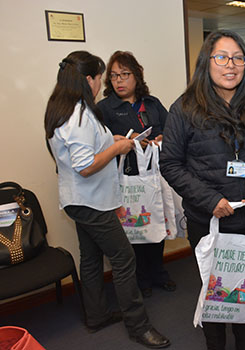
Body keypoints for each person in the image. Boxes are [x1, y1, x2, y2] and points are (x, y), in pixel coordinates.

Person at [159, 30, 245, 350]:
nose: (231, 65)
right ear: (206, 62)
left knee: (244, 286)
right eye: (222, 57)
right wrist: (210, 200)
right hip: (206, 220)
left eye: (238, 58)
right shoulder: (184, 108)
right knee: (214, 290)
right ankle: (215, 343)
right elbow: (170, 164)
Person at [44, 51, 170, 349]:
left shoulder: (68, 109)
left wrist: (111, 141)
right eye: (102, 77)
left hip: (80, 200)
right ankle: (139, 326)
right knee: (124, 258)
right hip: (91, 202)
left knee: (89, 258)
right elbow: (86, 166)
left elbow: (86, 149)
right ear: (89, 79)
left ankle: (97, 315)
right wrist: (117, 149)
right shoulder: (77, 116)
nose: (105, 83)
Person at [98, 51, 176, 298]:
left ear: (137, 75)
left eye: (124, 75)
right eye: (113, 76)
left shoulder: (151, 103)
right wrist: (122, 141)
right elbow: (98, 143)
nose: (119, 81)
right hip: (124, 180)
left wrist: (161, 138)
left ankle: (158, 273)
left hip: (154, 176)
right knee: (134, 230)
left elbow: (170, 129)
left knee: (155, 224)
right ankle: (141, 278)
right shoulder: (105, 108)